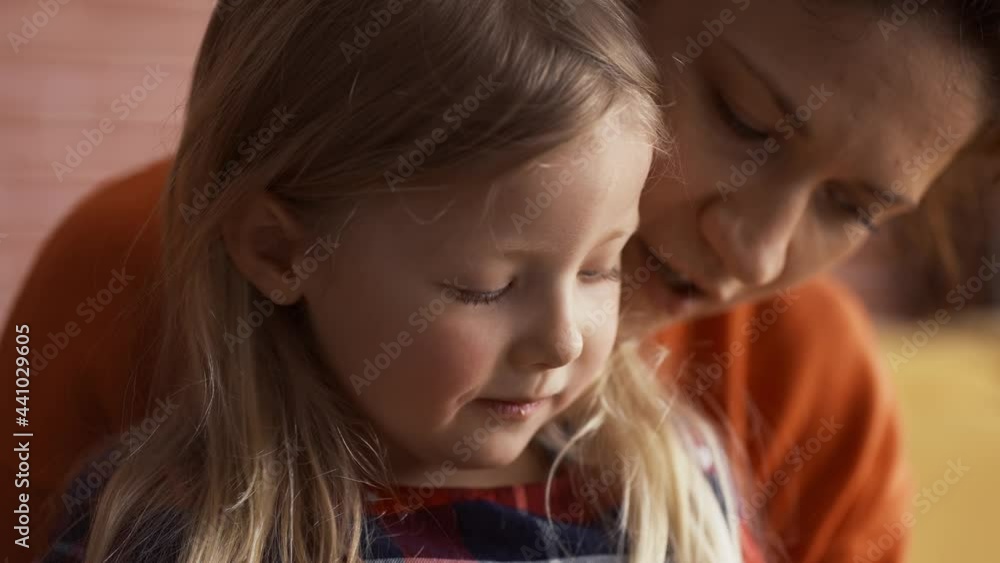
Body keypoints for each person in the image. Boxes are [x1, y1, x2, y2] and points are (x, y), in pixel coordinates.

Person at [3, 0, 994, 561]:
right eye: (741, 118)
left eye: (854, 207)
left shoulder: (808, 392)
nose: (757, 249)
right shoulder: (126, 276)